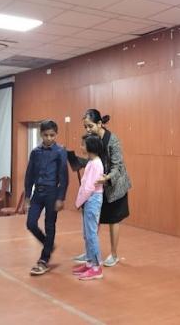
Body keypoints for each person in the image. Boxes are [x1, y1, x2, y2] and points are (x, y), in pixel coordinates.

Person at [74, 109, 132, 267]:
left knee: (114, 219)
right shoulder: (91, 139)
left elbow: (117, 166)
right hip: (99, 187)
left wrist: (107, 178)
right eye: (85, 127)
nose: (88, 130)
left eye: (90, 126)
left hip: (115, 186)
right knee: (94, 220)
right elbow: (92, 160)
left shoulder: (113, 140)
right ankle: (90, 252)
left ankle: (114, 254)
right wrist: (77, 161)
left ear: (99, 123)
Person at [24, 120, 69, 276]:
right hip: (38, 193)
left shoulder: (60, 152)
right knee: (30, 223)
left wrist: (60, 198)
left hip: (52, 193)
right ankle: (48, 244)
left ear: (56, 134)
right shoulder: (35, 152)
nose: (49, 138)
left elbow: (64, 177)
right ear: (40, 134)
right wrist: (27, 195)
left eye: (52, 135)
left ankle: (44, 259)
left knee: (50, 225)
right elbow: (29, 175)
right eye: (46, 135)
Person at [72, 134, 105, 280]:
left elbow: (89, 187)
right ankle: (89, 263)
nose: (81, 147)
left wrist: (79, 201)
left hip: (92, 200)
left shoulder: (96, 164)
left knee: (91, 234)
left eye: (83, 144)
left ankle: (97, 267)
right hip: (88, 200)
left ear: (91, 146)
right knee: (87, 234)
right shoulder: (92, 162)